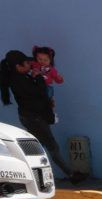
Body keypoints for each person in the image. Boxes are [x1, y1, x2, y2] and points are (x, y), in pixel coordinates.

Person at [1, 50, 86, 184]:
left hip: (31, 117)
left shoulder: (21, 78)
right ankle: (71, 174)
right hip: (34, 119)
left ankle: (36, 177)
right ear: (18, 66)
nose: (30, 65)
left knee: (38, 147)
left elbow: (38, 96)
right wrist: (39, 77)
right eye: (27, 63)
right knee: (51, 146)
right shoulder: (19, 80)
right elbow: (39, 93)